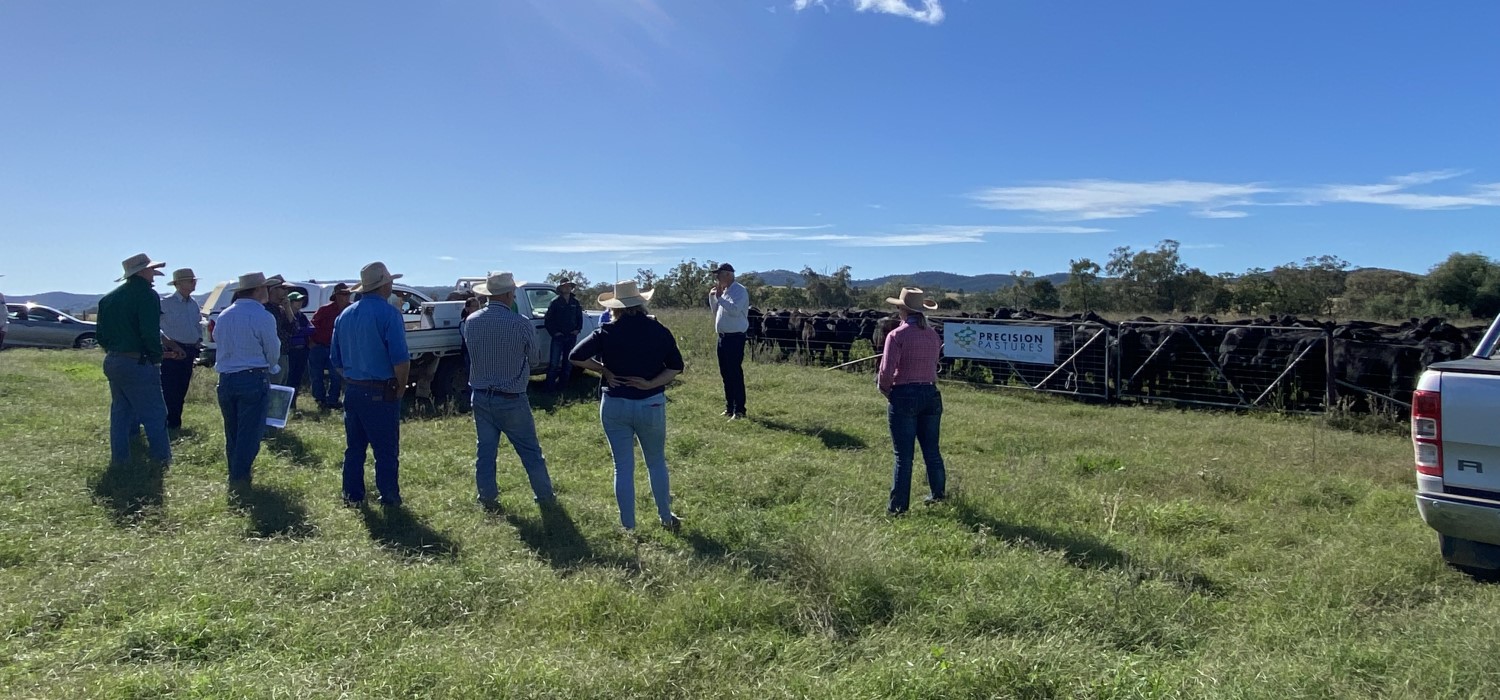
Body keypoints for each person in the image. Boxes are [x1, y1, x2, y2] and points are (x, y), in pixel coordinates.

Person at [570, 280, 684, 532]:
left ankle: (628, 525)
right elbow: (676, 367)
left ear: (615, 307)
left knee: (622, 466)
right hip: (650, 403)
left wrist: (603, 369)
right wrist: (650, 383)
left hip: (614, 403)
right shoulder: (658, 330)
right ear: (641, 303)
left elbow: (575, 356)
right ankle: (666, 517)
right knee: (656, 462)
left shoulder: (606, 332)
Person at [462, 271, 556, 509]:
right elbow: (534, 360)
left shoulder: (471, 322)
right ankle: (544, 496)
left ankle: (487, 496)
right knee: (530, 451)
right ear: (507, 295)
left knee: (485, 451)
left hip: (481, 394)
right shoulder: (521, 323)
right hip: (511, 396)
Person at [331, 262, 411, 507]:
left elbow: (336, 359)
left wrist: (354, 378)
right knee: (385, 450)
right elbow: (400, 359)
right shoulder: (389, 314)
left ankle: (352, 495)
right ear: (385, 284)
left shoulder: (345, 314)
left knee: (354, 447)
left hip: (354, 389)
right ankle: (389, 497)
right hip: (380, 390)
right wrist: (401, 387)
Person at [96, 253, 178, 466]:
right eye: (151, 270)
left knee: (120, 413)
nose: (154, 274)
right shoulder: (147, 296)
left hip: (114, 360)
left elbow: (101, 335)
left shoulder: (108, 299)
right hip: (138, 361)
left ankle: (120, 460)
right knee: (155, 413)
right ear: (142, 271)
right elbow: (150, 332)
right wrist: (156, 357)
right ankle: (162, 460)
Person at [876, 288, 947, 515]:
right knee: (932, 451)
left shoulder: (896, 336)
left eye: (898, 307)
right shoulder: (933, 335)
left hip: (904, 394)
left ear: (903, 309)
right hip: (930, 393)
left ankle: (898, 508)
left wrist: (886, 391)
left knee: (904, 457)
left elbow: (886, 371)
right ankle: (938, 495)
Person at [213, 272, 281, 495]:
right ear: (259, 290)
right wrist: (272, 367)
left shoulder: (224, 315)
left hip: (226, 378)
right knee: (249, 432)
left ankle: (235, 472)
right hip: (252, 377)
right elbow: (272, 349)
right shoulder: (262, 316)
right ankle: (239, 477)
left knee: (232, 431)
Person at [159, 268, 203, 430]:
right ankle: (168, 422)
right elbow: (155, 328)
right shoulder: (165, 303)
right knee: (169, 387)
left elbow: (197, 325)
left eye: (194, 280)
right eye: (190, 280)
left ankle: (175, 422)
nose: (194, 283)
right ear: (178, 284)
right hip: (172, 350)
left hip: (190, 350)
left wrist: (198, 340)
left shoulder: (193, 304)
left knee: (182, 387)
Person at [708, 262, 749, 419]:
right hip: (723, 338)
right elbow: (716, 312)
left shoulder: (739, 291)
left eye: (719, 275)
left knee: (734, 374)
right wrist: (713, 298)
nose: (717, 278)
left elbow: (734, 310)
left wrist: (720, 298)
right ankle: (729, 407)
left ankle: (739, 410)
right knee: (725, 374)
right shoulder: (724, 292)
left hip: (735, 338)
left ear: (728, 275)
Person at [308, 283, 350, 410]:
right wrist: (311, 343)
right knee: (316, 375)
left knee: (336, 375)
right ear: (336, 296)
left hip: (337, 349)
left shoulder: (352, 309)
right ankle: (320, 399)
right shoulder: (324, 310)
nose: (346, 296)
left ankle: (332, 400)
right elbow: (312, 326)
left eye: (347, 294)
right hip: (319, 346)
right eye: (343, 294)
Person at [543, 279, 584, 392]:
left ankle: (563, 388)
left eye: (568, 286)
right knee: (554, 364)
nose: (566, 288)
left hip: (571, 336)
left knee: (568, 363)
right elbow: (548, 320)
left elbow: (579, 318)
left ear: (571, 288)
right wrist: (555, 333)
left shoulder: (575, 302)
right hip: (558, 337)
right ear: (560, 288)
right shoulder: (555, 302)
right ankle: (549, 388)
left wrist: (577, 329)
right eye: (564, 286)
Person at [283, 291, 314, 410]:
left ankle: (293, 404)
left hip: (302, 351)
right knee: (288, 378)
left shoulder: (302, 316)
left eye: (301, 300)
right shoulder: (284, 316)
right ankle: (286, 405)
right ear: (290, 302)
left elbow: (312, 329)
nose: (300, 303)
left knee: (297, 378)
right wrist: (300, 331)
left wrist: (299, 331)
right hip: (289, 352)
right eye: (297, 300)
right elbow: (292, 332)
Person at [264, 276, 297, 385]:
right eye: (282, 288)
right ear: (273, 289)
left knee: (281, 388)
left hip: (283, 354)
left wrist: (288, 308)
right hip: (270, 357)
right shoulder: (264, 309)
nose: (286, 291)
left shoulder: (281, 309)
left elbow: (294, 329)